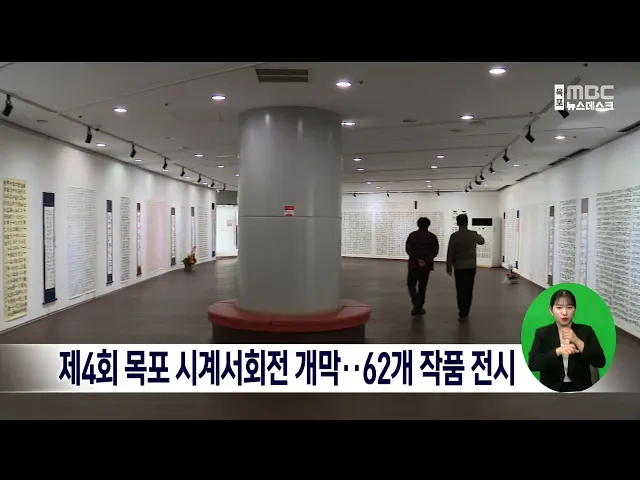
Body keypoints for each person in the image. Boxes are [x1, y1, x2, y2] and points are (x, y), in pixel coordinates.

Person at [528, 289, 606, 393]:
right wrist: (557, 351)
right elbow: (533, 364)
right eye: (559, 307)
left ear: (575, 310)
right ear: (551, 310)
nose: (564, 312)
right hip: (552, 389)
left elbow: (600, 362)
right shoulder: (543, 333)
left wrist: (578, 341)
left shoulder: (586, 331)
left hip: (580, 389)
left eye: (569, 307)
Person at [446, 214, 484, 321]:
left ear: (457, 223)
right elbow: (482, 241)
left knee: (460, 289)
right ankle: (466, 309)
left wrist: (449, 267)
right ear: (467, 222)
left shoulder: (454, 236)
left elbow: (450, 252)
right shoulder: (473, 234)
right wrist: (478, 235)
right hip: (471, 266)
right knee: (469, 289)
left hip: (459, 266)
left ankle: (462, 310)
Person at [405, 217, 439, 316]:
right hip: (426, 266)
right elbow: (434, 251)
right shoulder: (432, 237)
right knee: (422, 286)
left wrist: (417, 259)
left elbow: (408, 249)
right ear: (428, 225)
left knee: (411, 284)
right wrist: (425, 261)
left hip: (414, 265)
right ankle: (419, 306)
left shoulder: (412, 236)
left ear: (418, 224)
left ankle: (417, 303)